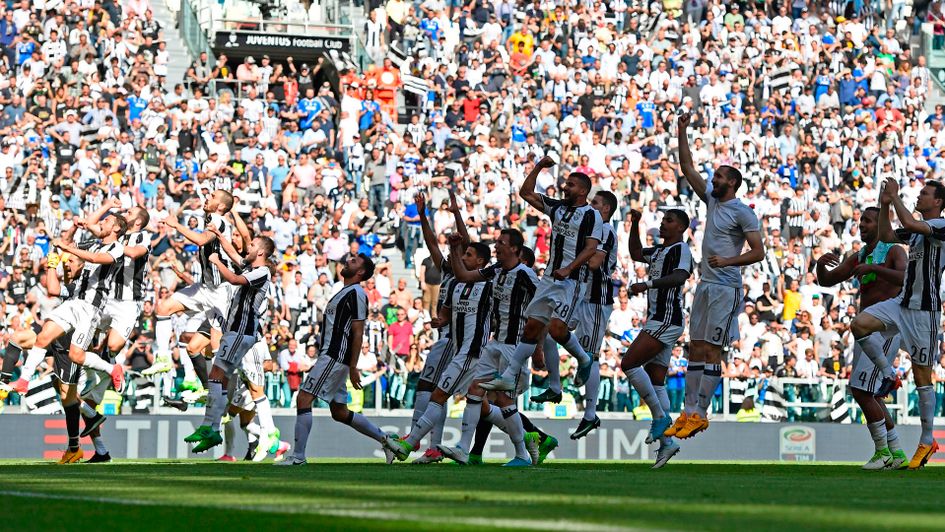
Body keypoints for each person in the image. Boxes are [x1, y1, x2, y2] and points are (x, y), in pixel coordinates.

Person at [666, 112, 764, 440]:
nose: (714, 179)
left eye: (720, 176)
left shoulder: (742, 212)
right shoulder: (712, 201)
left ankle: (702, 412)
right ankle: (688, 410)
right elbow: (688, 168)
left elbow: (758, 251)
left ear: (732, 182)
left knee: (712, 350)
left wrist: (727, 260)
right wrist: (682, 131)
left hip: (726, 287)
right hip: (707, 285)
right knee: (695, 347)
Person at [480, 155, 602, 393]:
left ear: (583, 191)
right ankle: (509, 375)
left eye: (571, 185)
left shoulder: (591, 215)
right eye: (565, 184)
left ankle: (584, 359)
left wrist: (569, 268)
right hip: (549, 278)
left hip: (572, 281)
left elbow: (590, 248)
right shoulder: (557, 208)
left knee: (557, 330)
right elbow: (526, 193)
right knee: (532, 328)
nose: (565, 187)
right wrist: (538, 167)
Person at [851, 178, 945, 470]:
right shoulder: (916, 233)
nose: (920, 196)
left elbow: (910, 223)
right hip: (901, 304)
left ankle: (927, 440)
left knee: (922, 377)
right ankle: (889, 373)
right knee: (860, 324)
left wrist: (895, 197)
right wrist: (884, 204)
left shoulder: (940, 226)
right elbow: (888, 233)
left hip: (924, 311)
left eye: (925, 194)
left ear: (939, 202)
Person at [816, 206, 908, 470]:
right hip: (864, 329)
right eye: (860, 221)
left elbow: (905, 277)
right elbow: (827, 281)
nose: (862, 225)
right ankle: (897, 453)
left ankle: (882, 452)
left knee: (861, 390)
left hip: (885, 327)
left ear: (881, 224)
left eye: (867, 221)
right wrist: (820, 266)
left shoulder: (893, 250)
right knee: (872, 394)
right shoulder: (861, 255)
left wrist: (874, 269)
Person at [437, 228, 539, 466]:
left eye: (501, 243)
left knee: (503, 399)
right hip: (495, 344)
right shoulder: (496, 271)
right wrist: (454, 248)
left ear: (514, 248)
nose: (496, 246)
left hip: (515, 347)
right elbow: (463, 275)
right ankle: (463, 447)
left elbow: (544, 308)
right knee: (475, 389)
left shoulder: (526, 274)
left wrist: (539, 348)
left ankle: (522, 452)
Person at [384, 241, 494, 461]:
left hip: (470, 351)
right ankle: (525, 440)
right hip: (459, 349)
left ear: (480, 261)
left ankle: (411, 443)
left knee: (439, 393)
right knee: (479, 401)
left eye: (468, 255)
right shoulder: (454, 284)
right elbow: (444, 314)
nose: (462, 259)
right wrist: (439, 321)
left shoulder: (490, 284)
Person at [279, 254, 392, 466]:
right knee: (339, 412)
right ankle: (387, 441)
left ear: (360, 272)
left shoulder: (357, 293)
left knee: (303, 399)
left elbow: (358, 332)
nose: (349, 260)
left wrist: (353, 366)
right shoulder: (345, 291)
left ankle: (298, 457)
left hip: (334, 356)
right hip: (333, 356)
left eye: (355, 261)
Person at [184, 234, 276, 453]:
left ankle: (214, 427)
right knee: (221, 378)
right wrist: (217, 233)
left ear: (261, 252)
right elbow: (233, 253)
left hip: (242, 332)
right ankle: (212, 427)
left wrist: (216, 262)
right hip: (235, 332)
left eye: (252, 245)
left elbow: (234, 280)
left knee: (218, 375)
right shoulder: (249, 267)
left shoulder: (262, 272)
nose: (248, 247)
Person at [621, 208, 693, 468]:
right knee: (656, 381)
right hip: (659, 319)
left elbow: (680, 277)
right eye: (662, 220)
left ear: (681, 227)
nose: (663, 224)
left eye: (669, 221)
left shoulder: (680, 250)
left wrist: (647, 284)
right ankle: (667, 443)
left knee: (628, 364)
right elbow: (636, 254)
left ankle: (661, 420)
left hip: (666, 319)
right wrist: (635, 224)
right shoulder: (659, 251)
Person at [145, 190, 236, 382]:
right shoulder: (210, 217)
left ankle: (221, 392)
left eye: (212, 197)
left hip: (220, 292)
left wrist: (176, 224)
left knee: (216, 346)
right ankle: (163, 357)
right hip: (204, 287)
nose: (207, 197)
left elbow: (201, 240)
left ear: (220, 206)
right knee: (162, 308)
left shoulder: (219, 221)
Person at [407, 190, 468, 464]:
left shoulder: (469, 278)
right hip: (449, 337)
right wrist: (422, 216)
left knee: (429, 387)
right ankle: (432, 444)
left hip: (452, 340)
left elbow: (464, 243)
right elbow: (432, 243)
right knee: (481, 401)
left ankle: (416, 439)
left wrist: (456, 215)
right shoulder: (447, 271)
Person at [567, 190, 620, 440]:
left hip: (596, 299)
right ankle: (580, 363)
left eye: (595, 203)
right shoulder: (593, 232)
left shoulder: (606, 231)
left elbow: (594, 263)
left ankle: (590, 414)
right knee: (553, 327)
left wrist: (575, 255)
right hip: (580, 295)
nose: (590, 206)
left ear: (606, 209)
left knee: (592, 354)